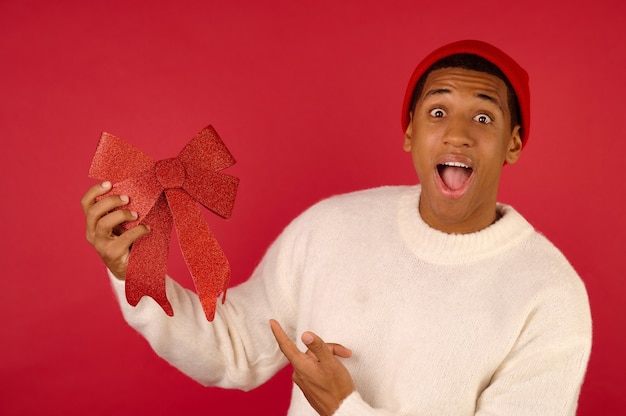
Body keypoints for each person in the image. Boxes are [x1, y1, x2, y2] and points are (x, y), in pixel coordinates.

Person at [81, 40, 592, 415]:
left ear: (513, 144)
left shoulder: (549, 294)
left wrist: (344, 408)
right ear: (410, 133)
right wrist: (135, 269)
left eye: (483, 118)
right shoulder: (331, 228)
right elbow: (234, 346)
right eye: (438, 111)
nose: (456, 134)